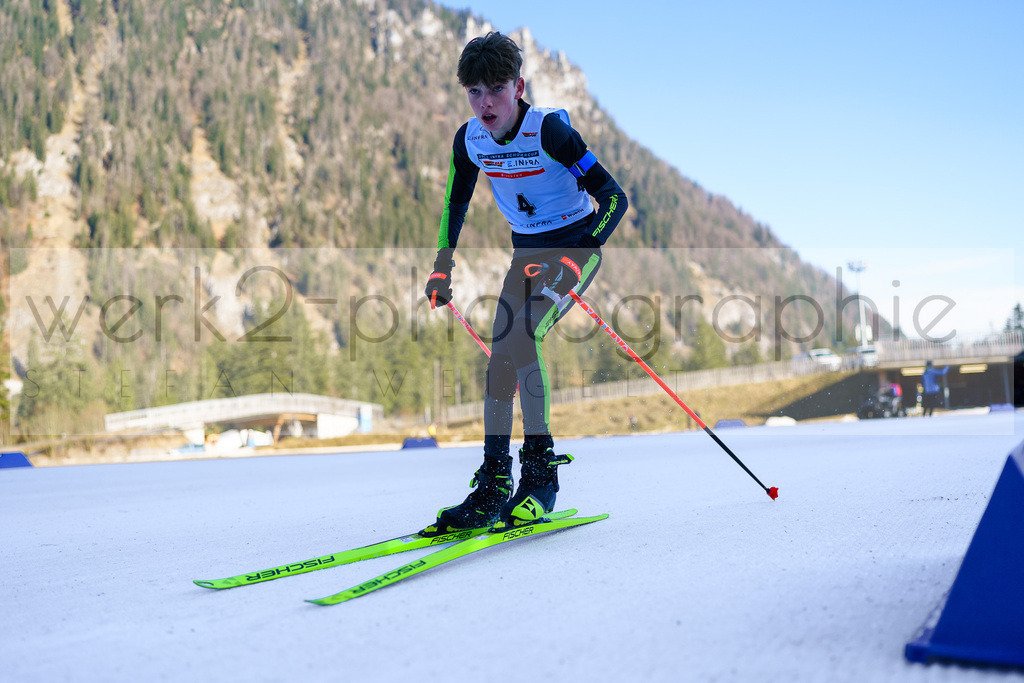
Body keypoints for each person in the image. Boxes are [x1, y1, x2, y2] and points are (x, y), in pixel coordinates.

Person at [422, 32, 627, 533]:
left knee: (522, 335)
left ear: (518, 86)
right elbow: (456, 204)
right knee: (501, 356)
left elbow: (614, 199)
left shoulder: (551, 132)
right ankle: (493, 485)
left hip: (575, 248)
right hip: (527, 254)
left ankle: (539, 477)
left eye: (495, 88)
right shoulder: (468, 140)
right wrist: (441, 267)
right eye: (474, 91)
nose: (485, 103)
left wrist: (584, 249)